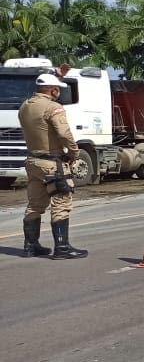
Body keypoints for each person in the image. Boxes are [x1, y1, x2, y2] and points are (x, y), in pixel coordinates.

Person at [18, 73, 87, 259]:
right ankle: (62, 248)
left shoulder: (24, 106)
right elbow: (64, 133)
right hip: (52, 164)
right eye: (57, 89)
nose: (58, 93)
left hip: (32, 161)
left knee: (35, 204)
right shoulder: (52, 107)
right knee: (61, 202)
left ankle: (30, 246)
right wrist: (74, 153)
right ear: (53, 89)